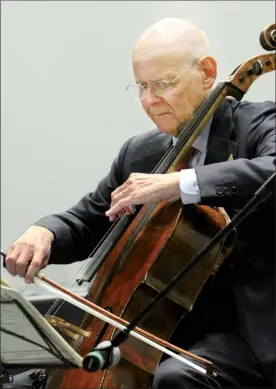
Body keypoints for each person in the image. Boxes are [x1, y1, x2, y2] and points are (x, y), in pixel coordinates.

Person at [5, 18, 275, 388]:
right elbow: (88, 220)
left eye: (163, 84)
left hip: (244, 334)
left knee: (176, 379)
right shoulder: (141, 153)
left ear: (208, 72)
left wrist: (179, 183)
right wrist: (44, 232)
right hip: (151, 331)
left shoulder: (258, 125)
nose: (149, 101)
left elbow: (271, 170)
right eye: (142, 87)